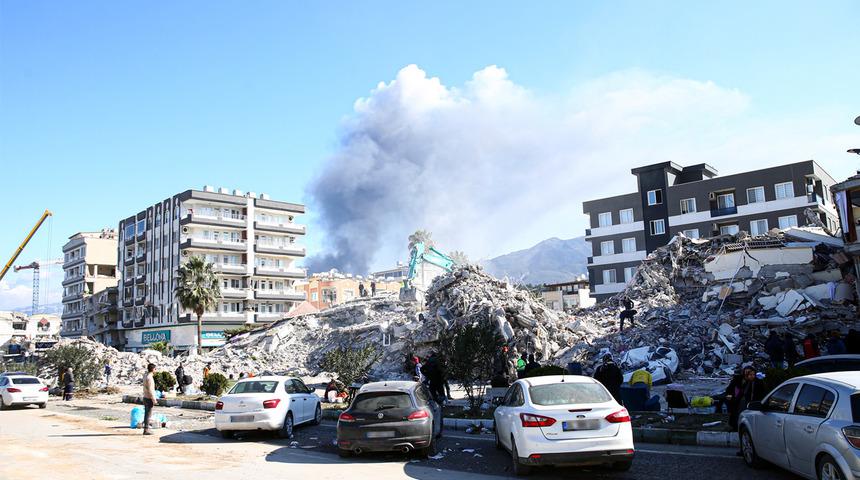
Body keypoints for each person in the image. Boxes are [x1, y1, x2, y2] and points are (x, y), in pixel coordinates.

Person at [142, 363, 157, 436]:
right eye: (155, 369)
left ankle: (146, 428)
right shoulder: (150, 378)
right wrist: (153, 399)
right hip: (148, 397)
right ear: (153, 369)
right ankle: (146, 429)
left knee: (146, 413)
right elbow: (151, 389)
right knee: (148, 414)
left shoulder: (145, 376)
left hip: (145, 396)